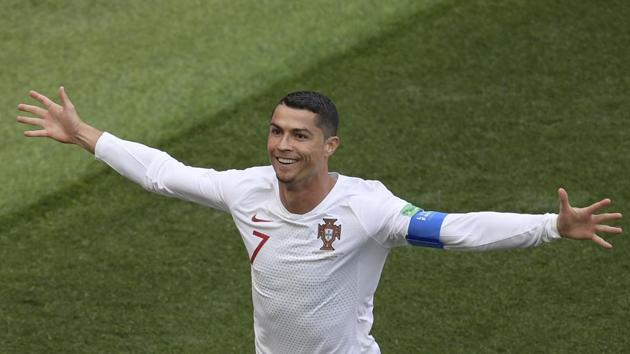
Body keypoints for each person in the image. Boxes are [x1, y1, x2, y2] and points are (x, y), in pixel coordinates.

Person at [17, 87, 623, 353]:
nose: (283, 144)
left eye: (300, 135)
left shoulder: (367, 207)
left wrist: (550, 225)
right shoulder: (245, 190)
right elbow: (162, 172)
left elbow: (453, 229)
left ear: (330, 146)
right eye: (277, 131)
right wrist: (84, 135)